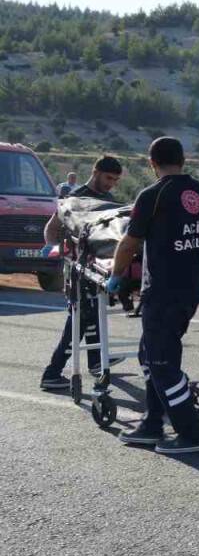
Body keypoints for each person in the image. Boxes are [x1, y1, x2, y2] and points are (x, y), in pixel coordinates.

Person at [108, 137, 199, 454]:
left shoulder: (153, 194)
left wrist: (115, 276)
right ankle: (152, 423)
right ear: (183, 160)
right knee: (151, 353)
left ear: (152, 163)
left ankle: (192, 434)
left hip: (163, 291)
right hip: (190, 289)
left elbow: (129, 244)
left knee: (161, 362)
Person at [38, 157, 124, 390]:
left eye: (115, 180)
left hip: (98, 269)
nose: (111, 184)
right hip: (77, 269)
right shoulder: (73, 200)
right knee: (80, 319)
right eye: (108, 178)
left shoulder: (109, 201)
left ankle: (96, 362)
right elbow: (52, 229)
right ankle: (52, 372)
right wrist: (54, 248)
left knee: (92, 315)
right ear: (96, 172)